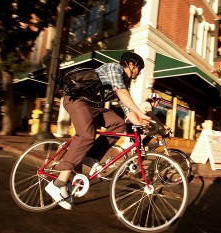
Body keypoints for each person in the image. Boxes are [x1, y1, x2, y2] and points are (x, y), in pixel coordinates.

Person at [45, 52, 151, 210]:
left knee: (119, 124)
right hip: (77, 101)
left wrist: (141, 123)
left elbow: (127, 110)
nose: (139, 72)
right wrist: (142, 113)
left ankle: (90, 156)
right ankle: (58, 182)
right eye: (139, 68)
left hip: (93, 107)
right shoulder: (115, 69)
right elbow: (122, 94)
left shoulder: (122, 82)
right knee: (87, 135)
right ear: (130, 64)